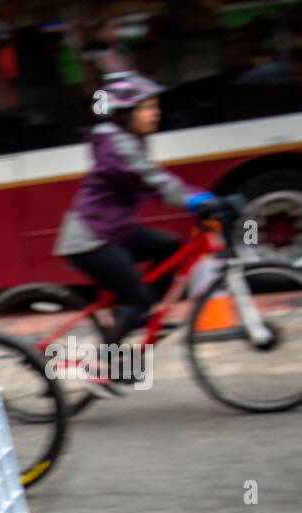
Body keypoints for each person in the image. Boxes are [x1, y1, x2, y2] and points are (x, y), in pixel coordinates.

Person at [54, 72, 218, 396]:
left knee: (171, 248)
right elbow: (152, 179)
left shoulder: (128, 140)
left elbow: (152, 182)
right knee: (137, 296)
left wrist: (194, 197)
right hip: (89, 238)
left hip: (114, 230)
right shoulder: (117, 145)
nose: (155, 112)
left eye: (155, 106)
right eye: (147, 107)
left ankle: (134, 316)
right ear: (127, 112)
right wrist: (197, 198)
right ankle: (101, 364)